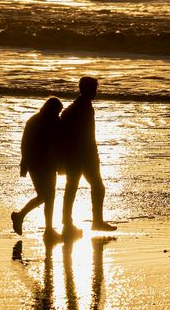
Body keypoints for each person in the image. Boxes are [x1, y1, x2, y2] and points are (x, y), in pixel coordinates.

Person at [60, 76, 117, 236]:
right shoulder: (78, 108)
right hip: (80, 156)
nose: (95, 92)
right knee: (79, 187)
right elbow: (82, 137)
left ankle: (86, 222)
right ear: (85, 89)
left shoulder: (79, 107)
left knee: (79, 187)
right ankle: (75, 223)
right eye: (94, 89)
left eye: (95, 89)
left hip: (81, 155)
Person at [12, 96, 63, 241]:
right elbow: (26, 145)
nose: (58, 114)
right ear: (51, 109)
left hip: (45, 164)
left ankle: (48, 229)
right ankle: (20, 216)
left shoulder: (37, 120)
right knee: (45, 196)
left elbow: (25, 144)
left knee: (49, 197)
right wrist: (25, 164)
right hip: (39, 164)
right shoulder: (43, 121)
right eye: (57, 111)